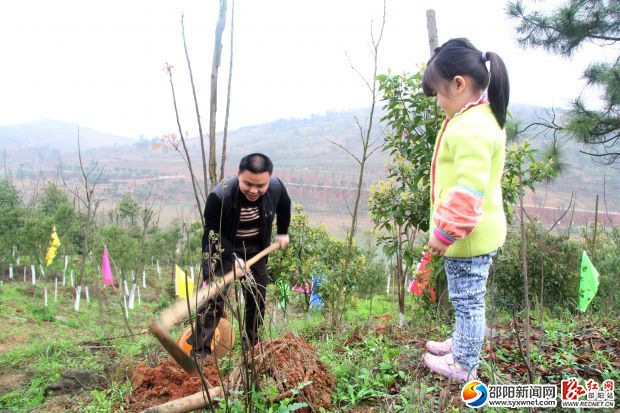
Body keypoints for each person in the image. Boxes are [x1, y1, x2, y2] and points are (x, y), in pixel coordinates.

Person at [420, 38, 509, 382]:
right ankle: (461, 342)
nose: (439, 103)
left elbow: (469, 193)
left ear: (459, 84)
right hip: (478, 231)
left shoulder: (472, 128)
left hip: (467, 237)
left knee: (469, 302)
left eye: (439, 94)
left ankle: (463, 363)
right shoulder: (481, 115)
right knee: (467, 298)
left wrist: (445, 233)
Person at [189, 153, 291, 357]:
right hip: (221, 248)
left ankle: (252, 346)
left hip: (256, 248)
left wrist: (282, 232)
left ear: (269, 179)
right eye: (248, 184)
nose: (254, 191)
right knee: (213, 298)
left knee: (257, 295)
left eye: (260, 186)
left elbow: (284, 205)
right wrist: (232, 258)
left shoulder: (276, 187)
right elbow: (212, 232)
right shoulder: (220, 196)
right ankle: (200, 351)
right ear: (238, 175)